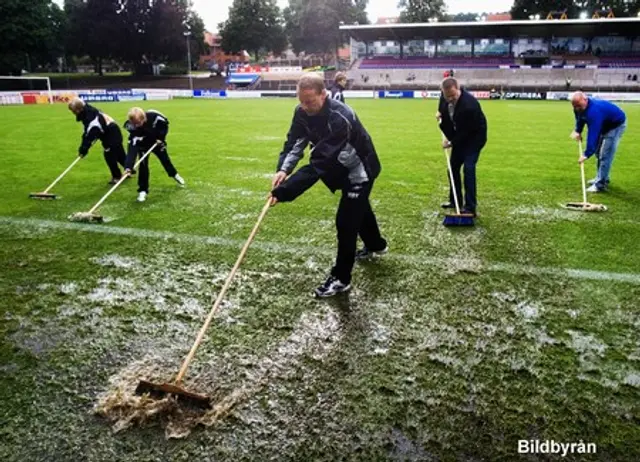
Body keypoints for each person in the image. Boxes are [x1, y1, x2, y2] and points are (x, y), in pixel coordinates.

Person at [270, 74, 388, 298]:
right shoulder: (301, 113)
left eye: (310, 102)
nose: (305, 107)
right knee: (359, 208)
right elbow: (295, 142)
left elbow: (319, 163)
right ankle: (376, 245)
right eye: (301, 101)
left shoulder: (340, 118)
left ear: (323, 95)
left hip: (360, 170)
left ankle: (341, 278)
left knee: (346, 221)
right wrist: (283, 170)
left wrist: (284, 192)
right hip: (340, 168)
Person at [436, 77, 487, 217]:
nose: (450, 98)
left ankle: (470, 208)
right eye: (448, 96)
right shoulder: (445, 96)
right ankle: (455, 201)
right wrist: (439, 113)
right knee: (452, 169)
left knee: (469, 169)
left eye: (453, 95)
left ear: (459, 89)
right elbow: (442, 106)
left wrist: (450, 143)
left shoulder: (469, 106)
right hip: (460, 135)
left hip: (474, 139)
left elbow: (465, 133)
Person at [123, 107, 185, 202]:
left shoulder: (155, 117)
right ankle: (143, 191)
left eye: (139, 123)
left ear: (144, 118)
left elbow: (164, 125)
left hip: (157, 142)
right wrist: (128, 167)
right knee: (143, 166)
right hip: (143, 145)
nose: (137, 126)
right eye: (134, 124)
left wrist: (161, 138)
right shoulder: (132, 129)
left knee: (165, 160)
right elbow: (132, 149)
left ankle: (175, 175)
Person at [570, 91, 626, 192]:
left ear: (585, 100)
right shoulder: (578, 107)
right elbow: (580, 118)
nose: (577, 108)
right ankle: (602, 177)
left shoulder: (594, 111)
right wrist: (578, 131)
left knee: (605, 155)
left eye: (579, 106)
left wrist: (586, 154)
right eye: (575, 106)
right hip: (604, 125)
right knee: (598, 152)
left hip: (615, 126)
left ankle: (600, 184)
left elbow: (593, 133)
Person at [68, 97, 126, 184]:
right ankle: (129, 168)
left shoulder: (91, 118)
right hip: (109, 130)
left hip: (111, 133)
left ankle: (117, 176)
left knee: (109, 155)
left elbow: (90, 136)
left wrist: (84, 148)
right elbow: (86, 132)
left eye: (73, 111)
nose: (73, 113)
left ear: (78, 110)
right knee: (118, 152)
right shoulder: (86, 111)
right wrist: (83, 147)